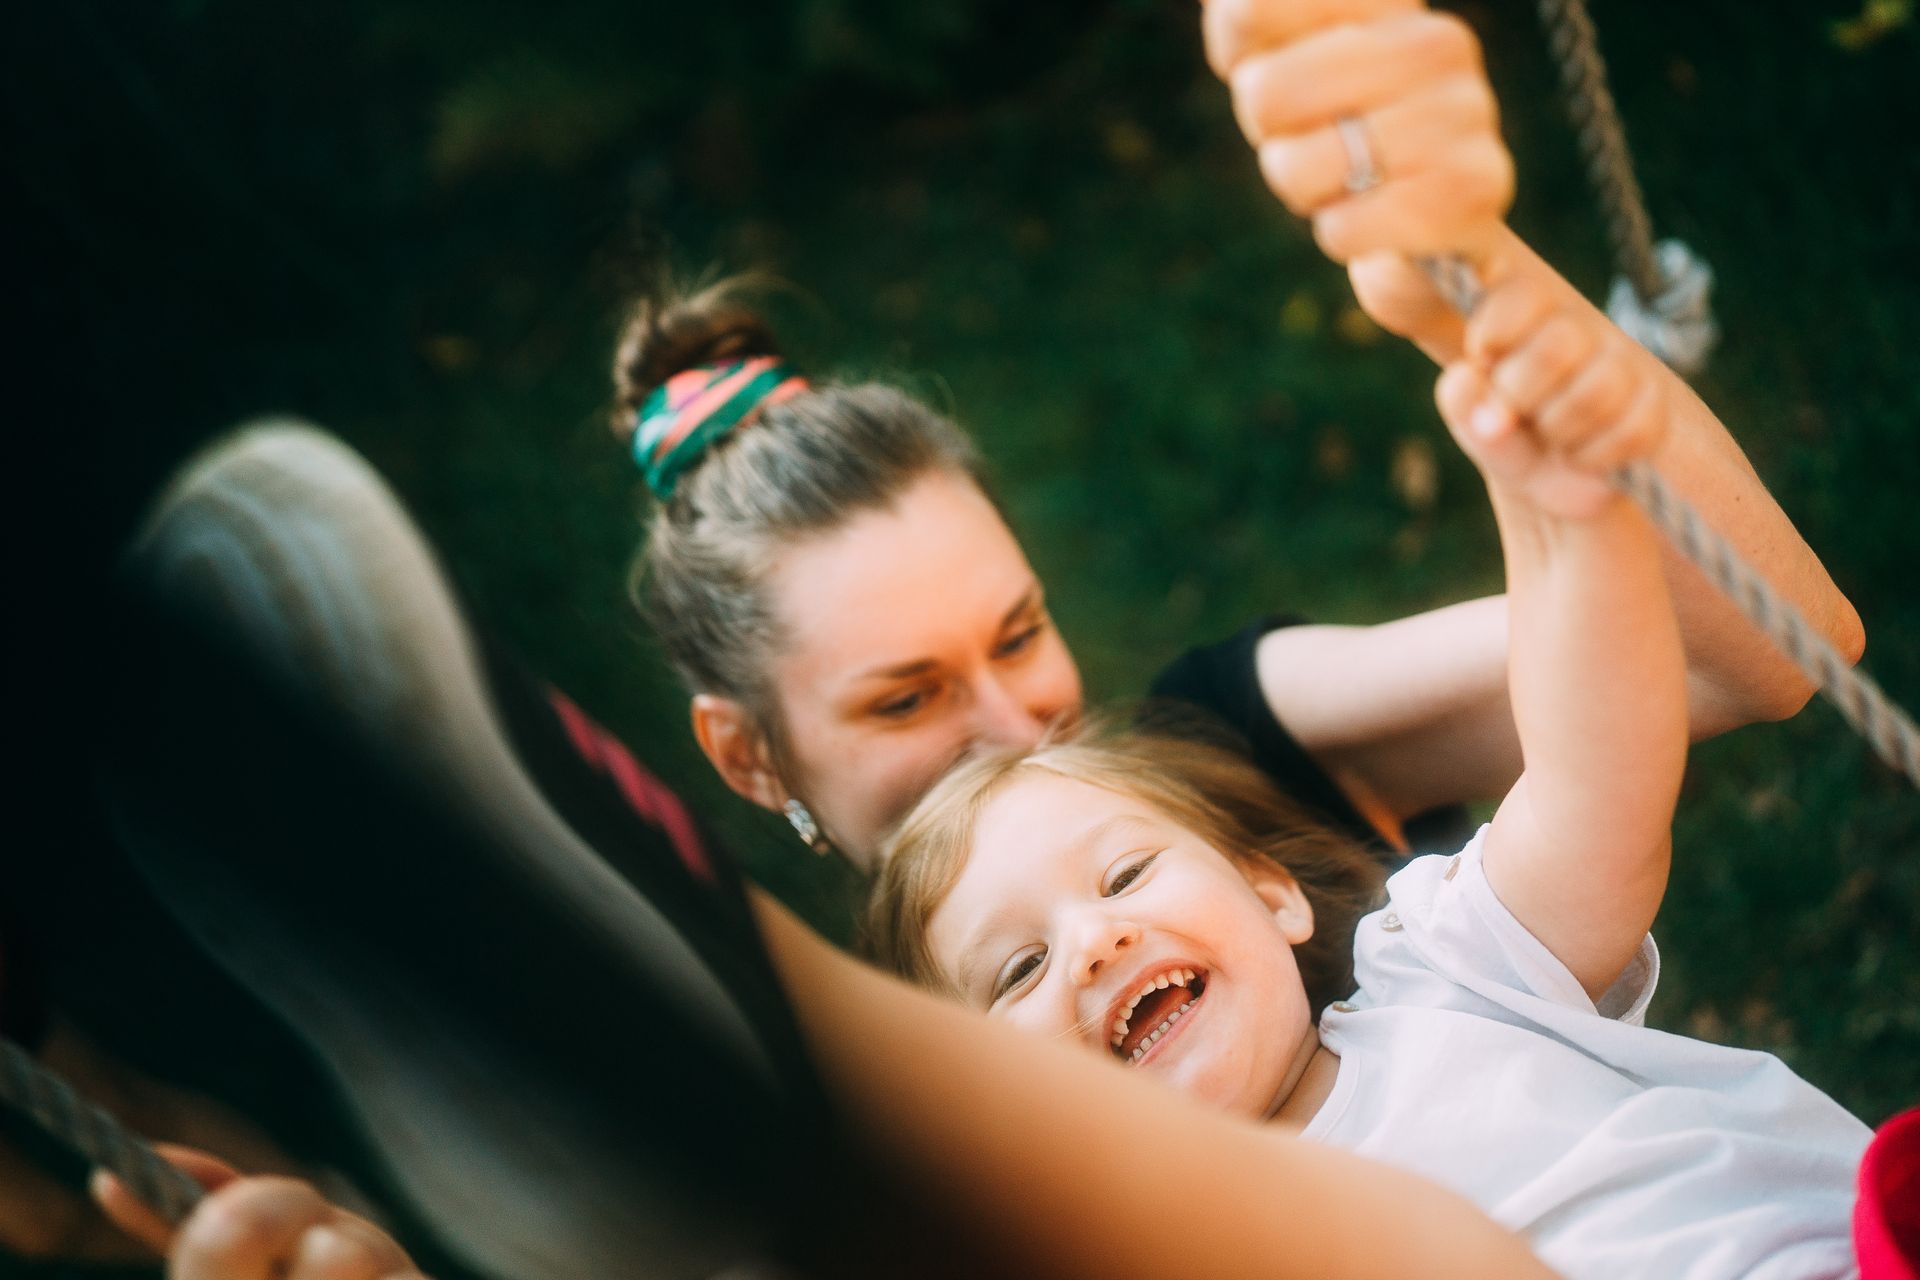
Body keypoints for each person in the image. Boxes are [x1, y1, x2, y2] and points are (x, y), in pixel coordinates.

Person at [613, 3, 1862, 871]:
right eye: (905, 698)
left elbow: (1760, 654)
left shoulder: (1240, 745)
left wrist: (1463, 287)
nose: (1019, 725)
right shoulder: (868, 1128)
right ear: (751, 758)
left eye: (1021, 634)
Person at [855, 259, 1881, 1274]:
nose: (1089, 939)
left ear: (1273, 892)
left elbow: (1593, 774)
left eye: (1123, 874)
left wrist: (1560, 509)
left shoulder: (1446, 974)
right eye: (1020, 968)